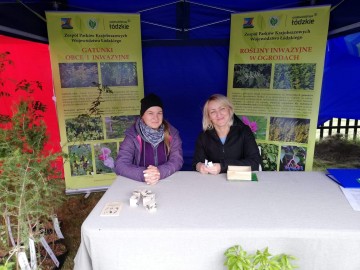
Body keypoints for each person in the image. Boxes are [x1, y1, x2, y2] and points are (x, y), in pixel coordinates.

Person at [114, 93, 183, 184]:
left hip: (166, 181)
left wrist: (160, 172)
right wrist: (144, 175)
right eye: (150, 113)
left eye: (159, 113)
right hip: (139, 184)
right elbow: (120, 165)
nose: (156, 117)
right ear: (142, 116)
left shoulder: (172, 134)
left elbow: (177, 160)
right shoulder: (133, 135)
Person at [193, 94, 261, 174]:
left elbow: (255, 163)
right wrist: (200, 166)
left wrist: (222, 167)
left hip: (240, 182)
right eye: (213, 112)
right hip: (213, 182)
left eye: (222, 109)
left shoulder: (244, 131)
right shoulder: (203, 136)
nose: (218, 114)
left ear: (229, 110)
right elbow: (196, 162)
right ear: (208, 117)